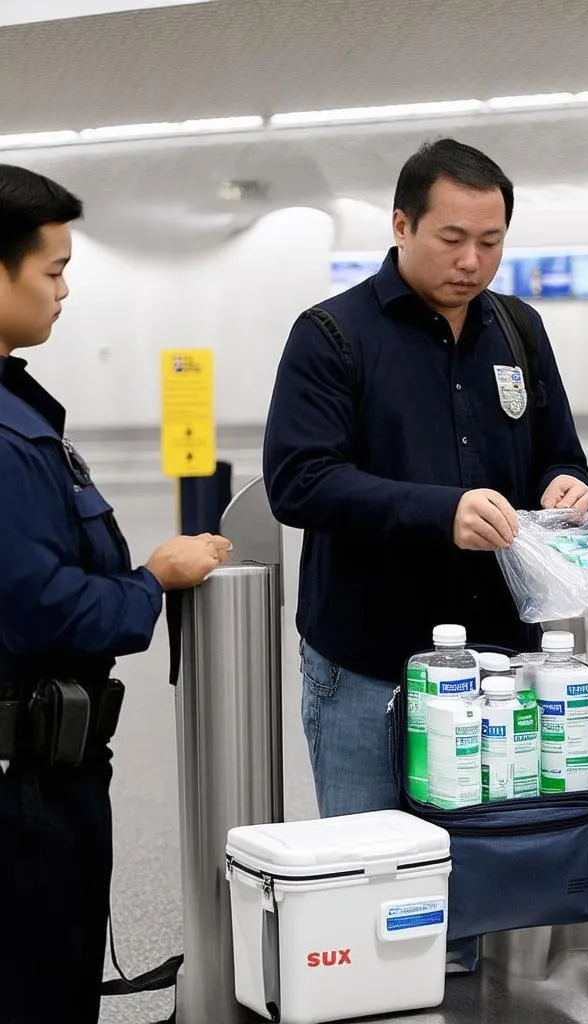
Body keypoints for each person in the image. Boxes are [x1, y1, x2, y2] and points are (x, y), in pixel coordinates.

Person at [263, 139, 588, 967]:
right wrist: (436, 511)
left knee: (477, 898)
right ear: (401, 224)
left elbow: (561, 451)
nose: (473, 260)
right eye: (452, 239)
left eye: (491, 241)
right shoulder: (333, 335)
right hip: (370, 671)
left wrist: (568, 486)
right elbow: (299, 482)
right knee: (374, 901)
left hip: (496, 678)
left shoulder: (519, 329)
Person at [0, 165, 232, 1024]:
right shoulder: (6, 439)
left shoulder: (18, 409)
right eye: (52, 271)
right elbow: (45, 607)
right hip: (23, 788)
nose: (65, 290)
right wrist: (151, 583)